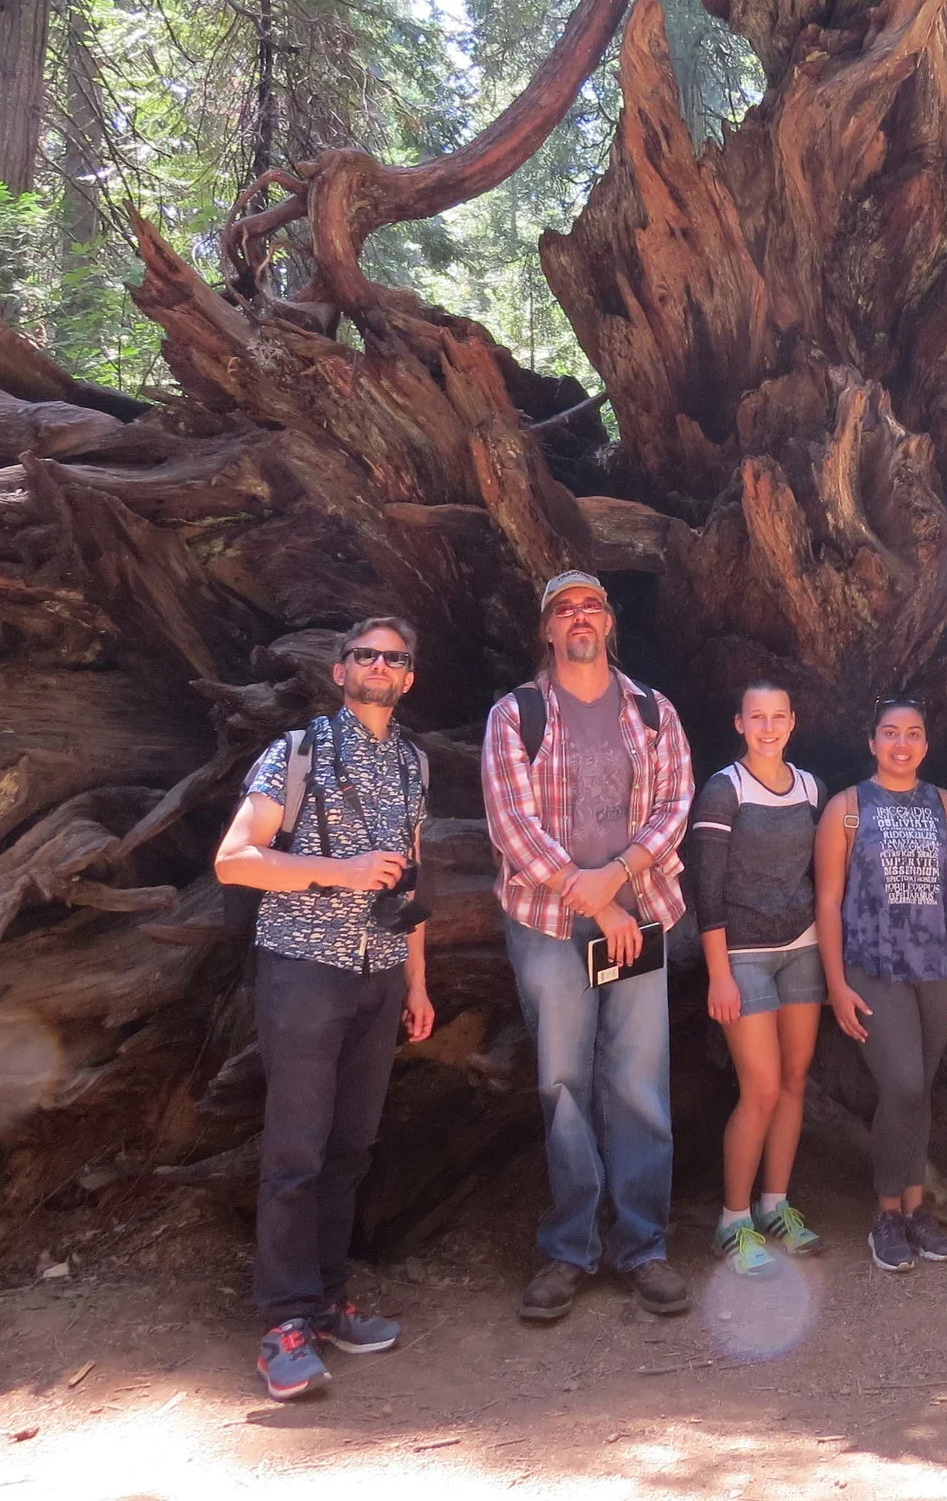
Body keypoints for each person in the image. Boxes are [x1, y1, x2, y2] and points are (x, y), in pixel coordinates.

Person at [215, 616, 437, 1402]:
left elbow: (412, 881)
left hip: (379, 974)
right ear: (341, 670)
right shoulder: (296, 753)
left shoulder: (413, 763)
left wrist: (417, 980)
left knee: (351, 1148)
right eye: (365, 655)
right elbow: (234, 859)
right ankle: (282, 1324)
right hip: (305, 969)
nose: (379, 666)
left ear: (408, 677)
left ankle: (329, 1299)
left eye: (394, 658)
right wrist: (338, 870)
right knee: (296, 1152)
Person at [483, 569, 695, 1323]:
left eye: (592, 605)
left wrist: (620, 880)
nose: (579, 617)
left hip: (640, 911)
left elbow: (675, 805)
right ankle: (571, 1246)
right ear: (547, 629)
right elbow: (513, 826)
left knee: (639, 1082)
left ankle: (644, 1245)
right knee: (563, 1084)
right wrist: (594, 896)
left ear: (609, 623)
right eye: (563, 608)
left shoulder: (652, 710)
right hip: (548, 923)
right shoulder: (517, 715)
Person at [814, 697, 947, 1273]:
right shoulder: (847, 808)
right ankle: (887, 1213)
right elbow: (829, 900)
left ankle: (917, 1210)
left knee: (921, 1088)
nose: (902, 744)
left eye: (913, 733)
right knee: (904, 1082)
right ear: (872, 742)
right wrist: (835, 981)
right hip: (873, 967)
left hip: (939, 966)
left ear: (926, 744)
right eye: (890, 733)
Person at [684, 680, 828, 1278]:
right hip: (743, 954)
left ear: (792, 722)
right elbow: (706, 889)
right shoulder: (725, 789)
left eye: (778, 717)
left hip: (803, 949)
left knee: (794, 1081)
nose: (768, 727)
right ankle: (733, 1220)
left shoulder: (810, 787)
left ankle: (776, 1205)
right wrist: (718, 973)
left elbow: (823, 871)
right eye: (756, 718)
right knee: (761, 1088)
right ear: (739, 723)